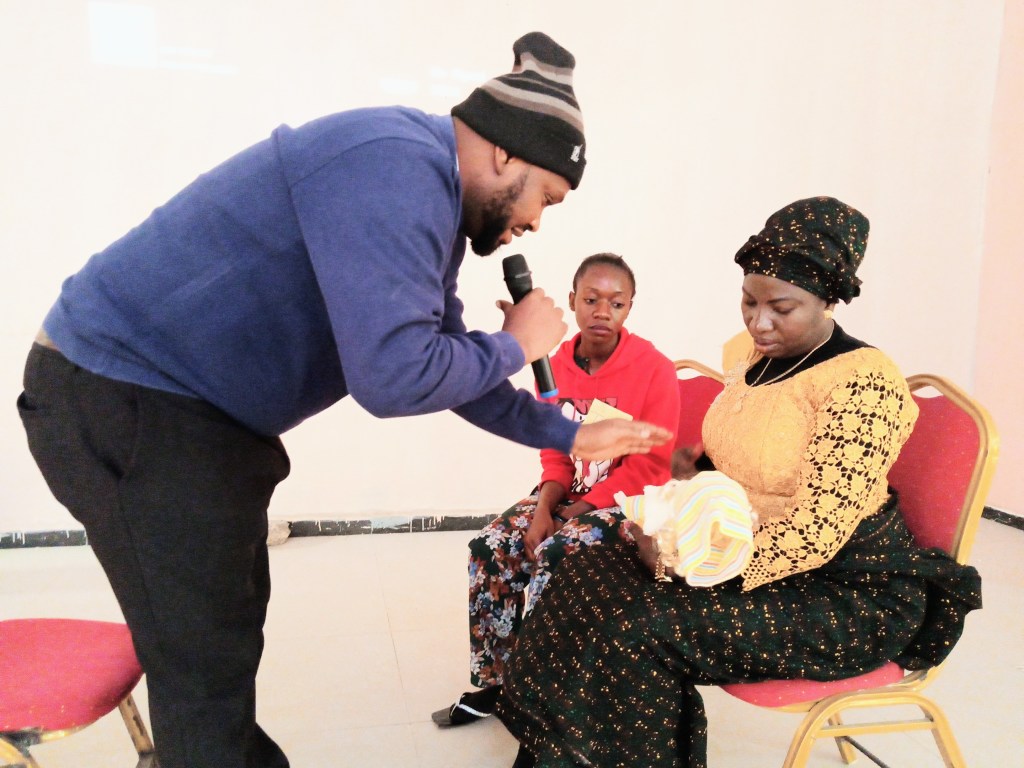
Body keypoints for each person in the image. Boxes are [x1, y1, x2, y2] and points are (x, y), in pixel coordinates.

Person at [15, 33, 672, 768]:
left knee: (223, 635)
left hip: (192, 415)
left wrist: (563, 431)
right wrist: (519, 343)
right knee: (200, 661)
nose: (536, 222)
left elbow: (444, 361)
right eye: (544, 197)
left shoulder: (423, 195)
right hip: (127, 395)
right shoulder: (392, 167)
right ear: (505, 155)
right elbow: (395, 377)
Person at [496, 196, 983, 768]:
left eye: (782, 307)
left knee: (635, 627)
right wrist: (683, 492)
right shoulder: (756, 358)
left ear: (828, 299)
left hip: (846, 588)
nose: (759, 322)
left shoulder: (864, 383)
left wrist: (686, 561)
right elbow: (735, 462)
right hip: (739, 543)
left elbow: (815, 533)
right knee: (582, 569)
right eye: (749, 302)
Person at [434, 253, 680, 727]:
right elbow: (554, 448)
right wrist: (547, 506)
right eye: (591, 299)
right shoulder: (555, 363)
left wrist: (576, 513)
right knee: (491, 547)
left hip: (627, 503)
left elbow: (652, 465)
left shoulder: (654, 369)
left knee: (557, 556)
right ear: (572, 301)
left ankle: (549, 693)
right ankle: (494, 683)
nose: (602, 311)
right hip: (566, 493)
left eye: (616, 302)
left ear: (630, 308)